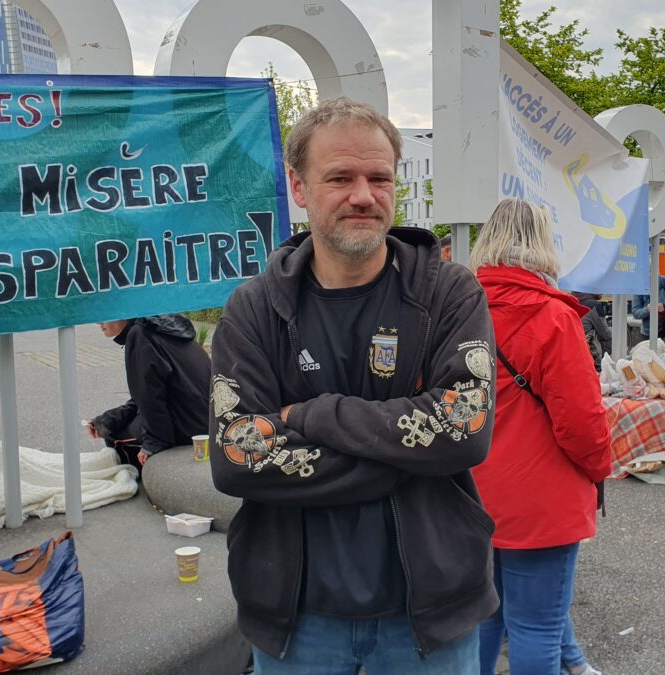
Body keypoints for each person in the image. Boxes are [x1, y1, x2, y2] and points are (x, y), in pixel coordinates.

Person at [208, 98, 498, 674]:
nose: (363, 195)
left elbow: (463, 433)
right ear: (299, 187)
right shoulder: (253, 309)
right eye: (340, 178)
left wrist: (309, 416)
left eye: (379, 178)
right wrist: (410, 448)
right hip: (296, 618)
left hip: (431, 615)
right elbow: (238, 456)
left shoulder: (448, 295)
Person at [471, 198, 612, 675]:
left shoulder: (456, 312)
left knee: (483, 621)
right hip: (539, 499)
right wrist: (599, 470)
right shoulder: (554, 317)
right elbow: (581, 420)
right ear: (543, 244)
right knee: (536, 628)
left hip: (467, 493)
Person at [88, 314, 210, 468]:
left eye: (106, 315)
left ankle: (137, 485)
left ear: (125, 313)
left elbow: (150, 397)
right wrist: (109, 419)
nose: (98, 321)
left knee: (114, 435)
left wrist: (154, 443)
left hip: (187, 426)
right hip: (204, 419)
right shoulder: (164, 328)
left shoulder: (140, 335)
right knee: (111, 425)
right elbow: (146, 394)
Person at [631, 276, 665, 347]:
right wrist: (647, 310)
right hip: (649, 329)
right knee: (645, 353)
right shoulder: (639, 287)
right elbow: (635, 312)